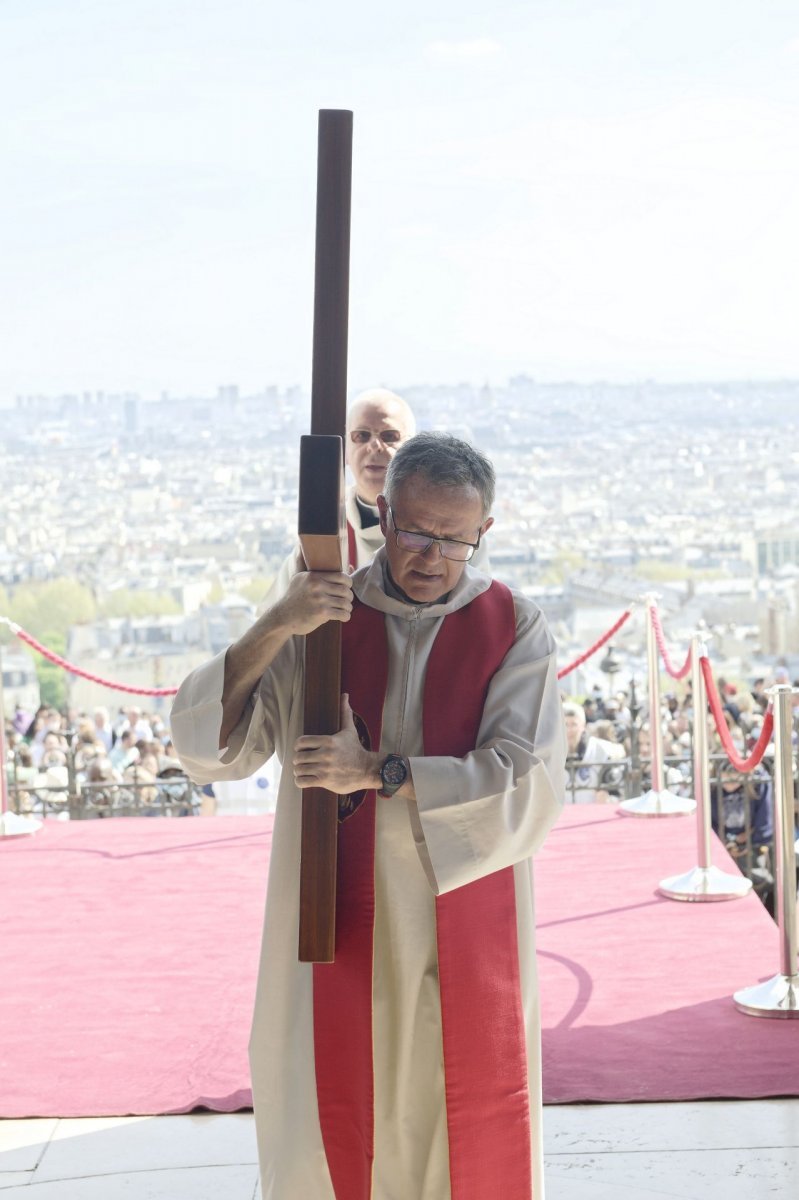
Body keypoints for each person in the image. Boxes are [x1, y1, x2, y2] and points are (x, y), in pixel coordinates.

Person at [172, 432, 565, 1200]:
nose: (431, 556)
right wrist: (273, 626)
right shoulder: (321, 622)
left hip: (456, 908)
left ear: (483, 532)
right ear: (382, 512)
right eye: (415, 531)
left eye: (454, 538)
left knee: (455, 1126)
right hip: (331, 920)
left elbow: (527, 785)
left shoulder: (514, 627)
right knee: (327, 1126)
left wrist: (377, 771)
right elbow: (211, 750)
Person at [263, 387, 488, 606]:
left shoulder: (458, 537)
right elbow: (278, 619)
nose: (374, 446)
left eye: (389, 436)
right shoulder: (321, 534)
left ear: (413, 448)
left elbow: (475, 610)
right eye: (361, 436)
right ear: (346, 451)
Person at [563, 701, 625, 803]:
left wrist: (608, 799)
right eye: (565, 724)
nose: (569, 730)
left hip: (592, 813)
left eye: (574, 724)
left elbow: (616, 793)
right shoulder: (549, 753)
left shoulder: (601, 750)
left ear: (583, 726)